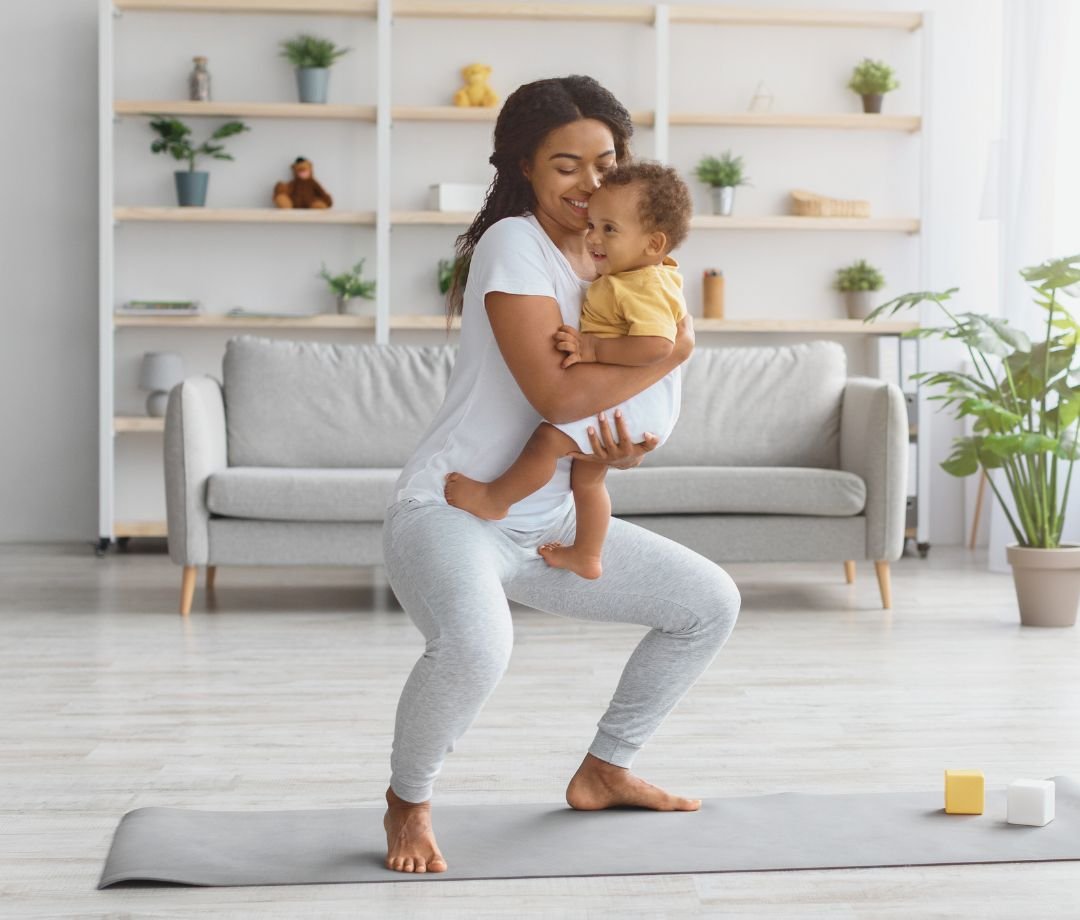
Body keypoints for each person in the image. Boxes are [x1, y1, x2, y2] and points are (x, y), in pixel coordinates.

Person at [381, 75, 741, 875]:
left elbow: (597, 409)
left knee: (707, 603)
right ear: (524, 168)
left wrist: (621, 450)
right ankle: (408, 800)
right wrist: (672, 355)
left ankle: (604, 769)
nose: (587, 185)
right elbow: (557, 392)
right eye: (565, 166)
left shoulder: (618, 256)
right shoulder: (515, 244)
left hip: (548, 520)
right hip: (452, 509)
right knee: (477, 646)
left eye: (604, 162)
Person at [443, 161, 692, 581]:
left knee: (547, 441)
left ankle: (494, 499)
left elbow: (658, 346)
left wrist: (592, 347)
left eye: (609, 230)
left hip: (635, 398)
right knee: (589, 481)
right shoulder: (639, 276)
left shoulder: (643, 284)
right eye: (593, 225)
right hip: (639, 402)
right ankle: (587, 554)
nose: (593, 237)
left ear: (654, 244)